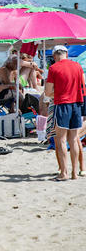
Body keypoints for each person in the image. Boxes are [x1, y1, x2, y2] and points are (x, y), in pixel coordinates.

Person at [45, 45, 85, 181]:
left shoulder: (53, 68)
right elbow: (82, 85)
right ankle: (75, 173)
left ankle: (64, 173)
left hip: (62, 104)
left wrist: (59, 90)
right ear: (66, 54)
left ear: (55, 55)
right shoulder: (77, 66)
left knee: (61, 140)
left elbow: (48, 92)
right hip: (77, 104)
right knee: (73, 139)